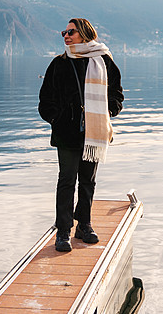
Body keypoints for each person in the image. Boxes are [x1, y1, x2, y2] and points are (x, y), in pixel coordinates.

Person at [38, 18, 124, 252]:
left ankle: (84, 225)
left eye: (71, 32)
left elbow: (116, 92)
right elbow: (45, 98)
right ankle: (63, 230)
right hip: (67, 133)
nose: (66, 36)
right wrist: (56, 119)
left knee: (88, 181)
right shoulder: (59, 63)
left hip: (94, 132)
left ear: (85, 33)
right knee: (67, 180)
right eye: (64, 32)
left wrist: (108, 110)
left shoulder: (103, 60)